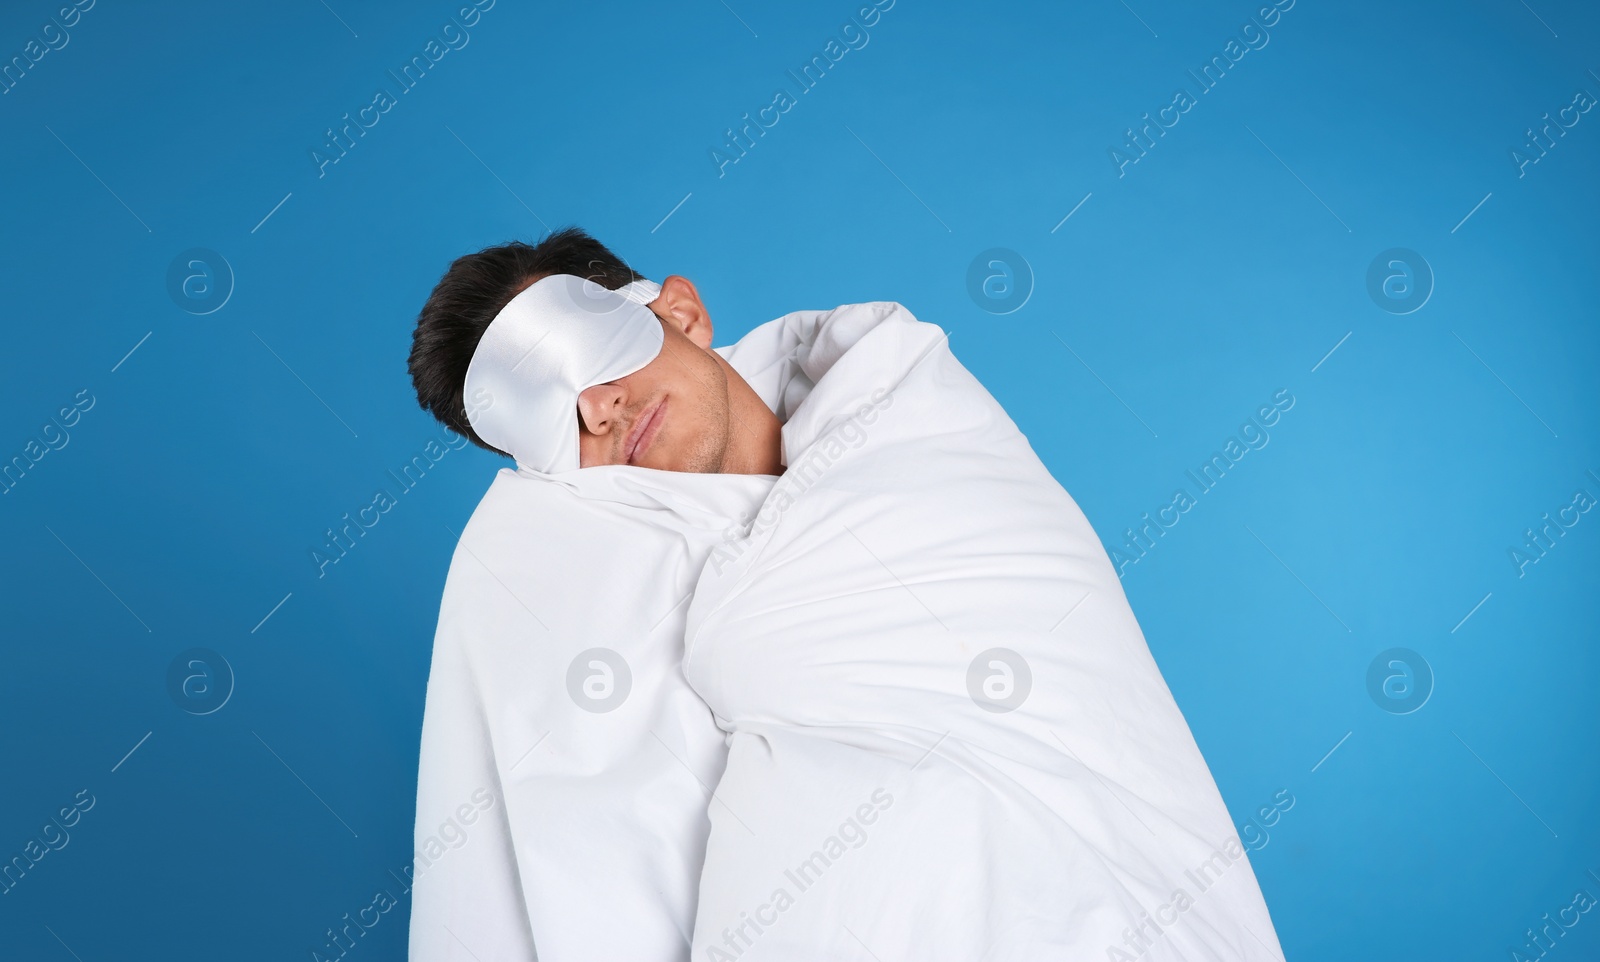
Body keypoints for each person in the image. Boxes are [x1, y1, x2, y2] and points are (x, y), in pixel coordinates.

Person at [405, 228, 1286, 962]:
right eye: (548, 421)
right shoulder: (559, 595)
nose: (595, 411)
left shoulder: (916, 430)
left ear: (681, 311)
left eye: (588, 359)